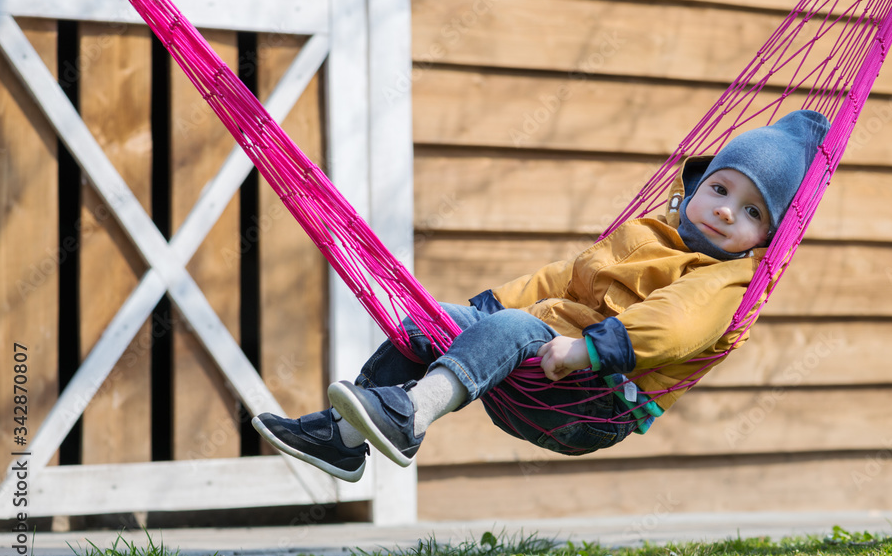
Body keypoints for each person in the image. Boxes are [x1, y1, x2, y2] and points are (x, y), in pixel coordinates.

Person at [252, 109, 831, 482]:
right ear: (696, 186)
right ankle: (342, 437)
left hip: (596, 397)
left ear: (767, 238)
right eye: (721, 188)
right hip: (547, 362)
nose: (727, 209)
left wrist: (588, 351)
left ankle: (413, 414)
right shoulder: (650, 231)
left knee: (509, 331)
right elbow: (563, 280)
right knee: (425, 323)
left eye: (752, 210)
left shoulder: (727, 279)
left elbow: (674, 324)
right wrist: (483, 308)